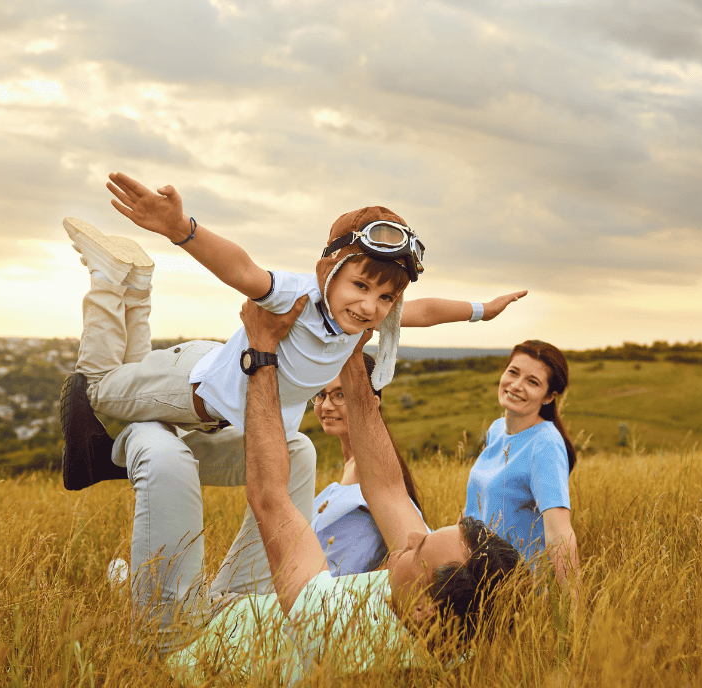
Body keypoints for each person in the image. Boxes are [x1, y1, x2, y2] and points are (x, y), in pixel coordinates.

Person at [60, 171, 527, 491]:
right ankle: (109, 277)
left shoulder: (356, 318)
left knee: (133, 377)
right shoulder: (299, 298)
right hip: (186, 389)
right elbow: (243, 270)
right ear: (329, 271)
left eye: (385, 298)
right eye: (360, 286)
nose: (371, 306)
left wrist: (482, 310)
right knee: (100, 389)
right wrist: (182, 229)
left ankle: (136, 282)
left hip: (212, 399)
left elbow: (424, 310)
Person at [161, 297, 522, 682]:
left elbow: (269, 497)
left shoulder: (331, 626)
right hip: (233, 605)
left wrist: (261, 351)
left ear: (423, 610)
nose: (414, 534)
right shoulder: (445, 616)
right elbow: (386, 489)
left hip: (194, 650)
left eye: (418, 548)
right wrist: (351, 352)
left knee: (156, 450)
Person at [464, 340, 580, 588]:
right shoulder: (496, 430)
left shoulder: (545, 444)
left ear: (549, 396)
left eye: (532, 382)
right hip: (478, 577)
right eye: (513, 372)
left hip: (517, 587)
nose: (516, 386)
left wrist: (573, 612)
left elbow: (559, 532)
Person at [309, 353, 425, 576]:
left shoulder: (370, 469)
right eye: (321, 394)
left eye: (340, 395)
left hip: (344, 598)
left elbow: (409, 542)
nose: (326, 406)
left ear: (373, 403)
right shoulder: (353, 464)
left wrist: (367, 584)